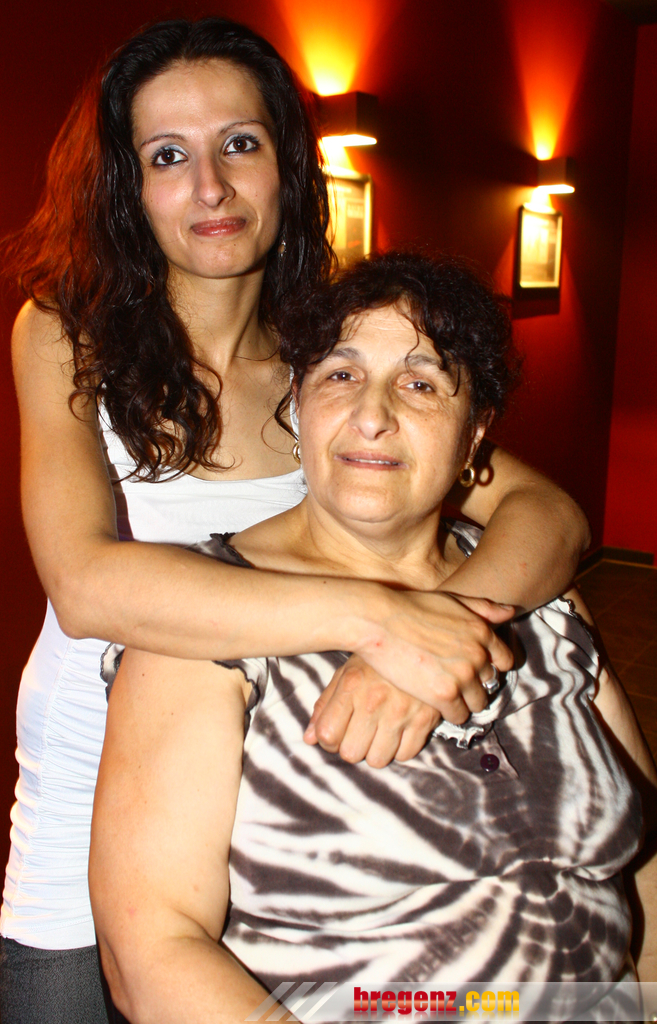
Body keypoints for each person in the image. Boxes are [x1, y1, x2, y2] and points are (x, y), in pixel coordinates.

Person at [2, 15, 590, 1024]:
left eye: (239, 144)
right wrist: (382, 619)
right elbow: (87, 585)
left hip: (271, 781)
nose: (211, 187)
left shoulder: (332, 355)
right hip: (87, 766)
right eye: (167, 157)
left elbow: (550, 512)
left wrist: (445, 628)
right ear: (127, 189)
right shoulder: (66, 333)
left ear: (286, 164)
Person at [90, 253, 657, 1024]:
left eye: (420, 383)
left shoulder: (545, 602)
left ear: (475, 436)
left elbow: (641, 852)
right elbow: (151, 950)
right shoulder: (202, 622)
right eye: (341, 374)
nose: (372, 414)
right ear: (296, 406)